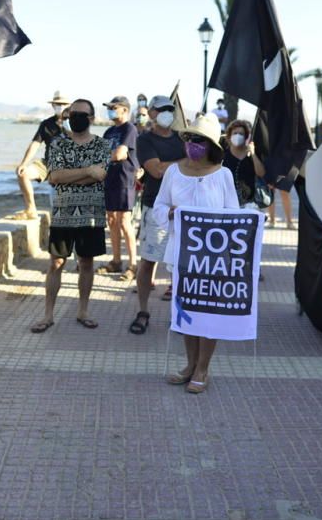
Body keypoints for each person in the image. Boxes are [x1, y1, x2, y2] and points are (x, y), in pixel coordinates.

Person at [152, 113, 239, 393]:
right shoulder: (173, 172)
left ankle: (203, 367)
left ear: (211, 143)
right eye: (189, 138)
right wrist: (171, 213)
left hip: (212, 260)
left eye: (199, 139)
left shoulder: (223, 174)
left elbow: (233, 217)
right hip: (181, 256)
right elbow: (158, 207)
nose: (192, 144)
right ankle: (190, 364)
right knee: (186, 312)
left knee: (208, 314)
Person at [30, 98, 111, 333]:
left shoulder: (102, 145)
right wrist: (87, 171)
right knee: (55, 263)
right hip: (62, 213)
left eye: (81, 114)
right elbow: (54, 177)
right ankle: (47, 315)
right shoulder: (57, 144)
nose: (76, 117)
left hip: (91, 214)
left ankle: (83, 311)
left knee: (86, 263)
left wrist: (72, 175)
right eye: (72, 113)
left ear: (92, 118)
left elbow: (101, 175)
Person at [131, 96, 186, 333]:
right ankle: (143, 310)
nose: (166, 113)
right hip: (157, 208)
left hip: (183, 209)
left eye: (170, 109)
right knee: (149, 261)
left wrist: (177, 163)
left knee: (183, 264)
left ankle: (181, 314)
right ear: (151, 113)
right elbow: (156, 171)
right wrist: (187, 161)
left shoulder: (183, 139)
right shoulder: (144, 140)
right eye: (161, 109)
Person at [98, 96, 139, 280]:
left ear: (124, 110)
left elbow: (120, 154)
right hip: (109, 180)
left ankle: (133, 265)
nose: (111, 110)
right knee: (112, 220)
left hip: (124, 179)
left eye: (114, 107)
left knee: (124, 221)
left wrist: (104, 156)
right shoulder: (108, 132)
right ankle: (116, 261)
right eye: (109, 107)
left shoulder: (129, 129)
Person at [13, 92, 70, 220]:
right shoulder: (46, 124)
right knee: (23, 174)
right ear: (53, 106)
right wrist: (24, 163)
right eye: (57, 104)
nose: (60, 107)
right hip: (48, 163)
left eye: (63, 104)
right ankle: (31, 209)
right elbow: (35, 144)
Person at [222, 119, 266, 207]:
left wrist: (253, 154)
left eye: (241, 134)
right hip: (226, 202)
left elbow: (261, 174)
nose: (238, 136)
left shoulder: (251, 154)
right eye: (235, 133)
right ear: (229, 136)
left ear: (246, 137)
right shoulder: (223, 155)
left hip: (249, 204)